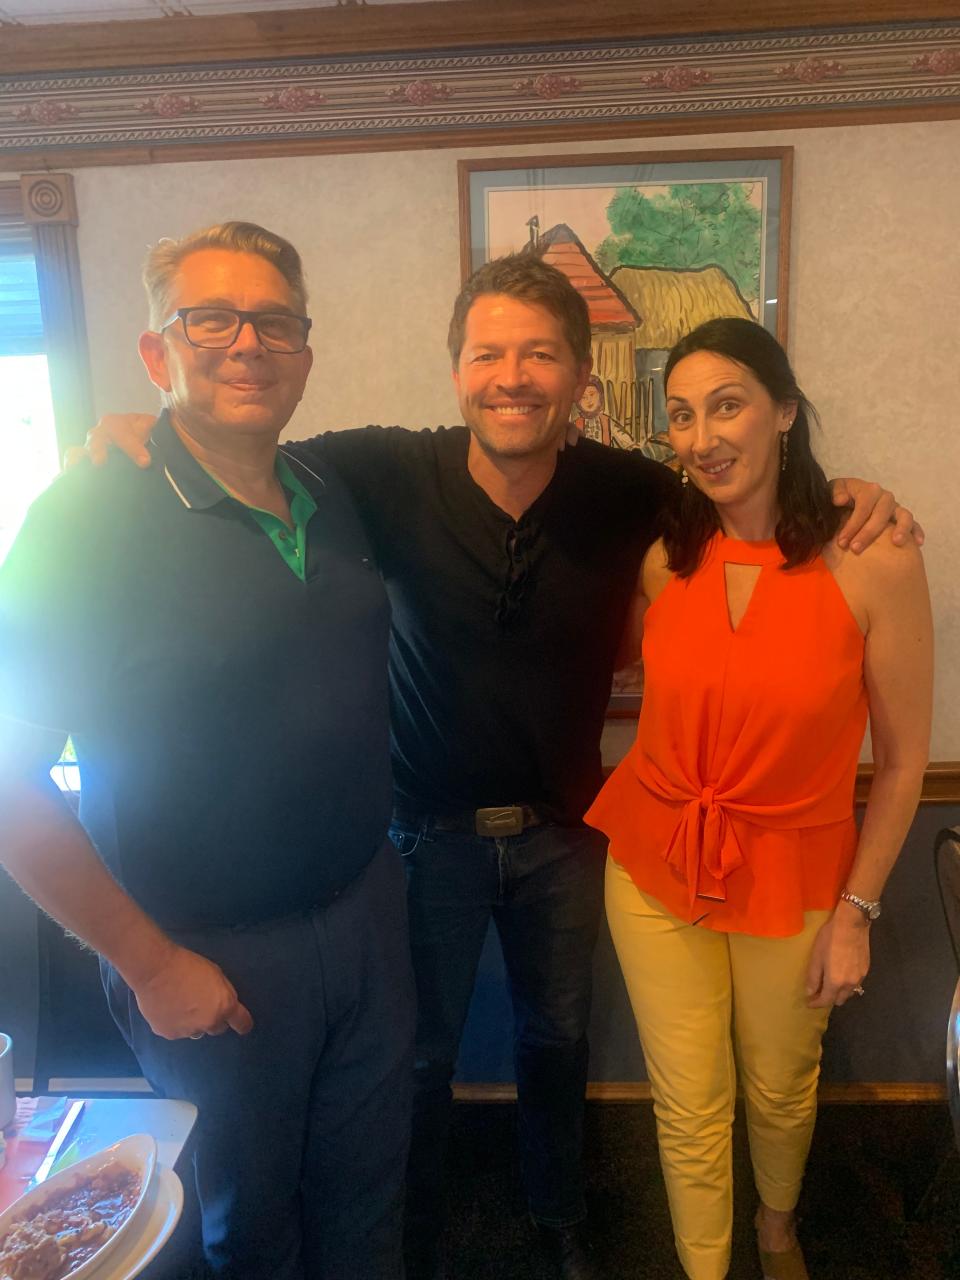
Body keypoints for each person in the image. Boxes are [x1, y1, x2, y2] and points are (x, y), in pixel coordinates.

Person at [83, 255, 916, 1280]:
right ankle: (417, 1233)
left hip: (568, 837)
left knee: (557, 1044)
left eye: (540, 355)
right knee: (417, 1061)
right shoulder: (375, 472)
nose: (511, 375)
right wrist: (131, 429)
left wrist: (851, 492)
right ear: (456, 369)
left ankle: (560, 1215)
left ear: (581, 381)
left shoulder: (631, 491)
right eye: (488, 352)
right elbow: (231, 450)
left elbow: (745, 489)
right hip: (419, 835)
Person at [0, 221, 414, 1280]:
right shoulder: (85, 514)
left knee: (367, 1207)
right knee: (249, 1234)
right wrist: (149, 964)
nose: (247, 344)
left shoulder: (337, 491)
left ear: (306, 352)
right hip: (206, 956)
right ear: (157, 352)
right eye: (209, 318)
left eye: (274, 321)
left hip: (367, 913)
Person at [586, 317, 932, 1280]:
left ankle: (777, 1234)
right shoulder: (665, 557)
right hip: (655, 862)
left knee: (780, 1087)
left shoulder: (877, 558)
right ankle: (707, 1268)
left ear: (785, 410)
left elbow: (904, 762)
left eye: (729, 404)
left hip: (799, 872)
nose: (703, 436)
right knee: (688, 1097)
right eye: (683, 416)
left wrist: (858, 912)